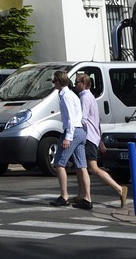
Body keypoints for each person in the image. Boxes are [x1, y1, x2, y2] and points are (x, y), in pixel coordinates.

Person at [75, 71, 127, 209]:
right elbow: (96, 120)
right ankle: (81, 195)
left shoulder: (85, 98)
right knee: (81, 166)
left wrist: (77, 129)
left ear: (84, 84)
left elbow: (84, 119)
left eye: (77, 82)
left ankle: (119, 189)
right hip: (93, 136)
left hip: (88, 137)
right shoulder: (90, 96)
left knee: (92, 168)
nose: (75, 85)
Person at [51, 68, 91, 208]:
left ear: (59, 81)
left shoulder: (66, 96)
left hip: (72, 131)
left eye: (54, 81)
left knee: (59, 164)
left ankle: (64, 196)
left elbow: (70, 119)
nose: (53, 83)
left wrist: (67, 137)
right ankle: (87, 198)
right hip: (80, 131)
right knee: (81, 166)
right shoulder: (72, 94)